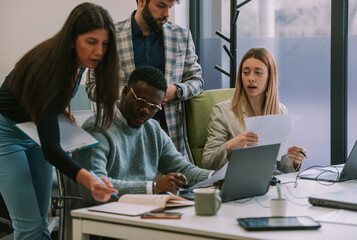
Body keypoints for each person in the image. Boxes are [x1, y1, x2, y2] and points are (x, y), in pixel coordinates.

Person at [0, 3, 119, 239]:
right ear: (73, 38)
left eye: (105, 44)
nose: (99, 52)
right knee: (29, 226)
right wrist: (90, 180)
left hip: (33, 132)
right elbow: (52, 150)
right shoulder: (47, 67)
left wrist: (60, 109)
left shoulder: (77, 62)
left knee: (41, 224)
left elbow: (49, 93)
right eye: (91, 42)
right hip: (6, 134)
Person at [69, 66, 213, 208]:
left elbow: (183, 169)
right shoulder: (96, 128)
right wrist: (153, 188)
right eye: (140, 101)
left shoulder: (153, 129)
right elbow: (92, 188)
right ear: (125, 92)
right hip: (97, 216)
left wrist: (214, 177)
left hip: (139, 211)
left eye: (153, 107)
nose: (145, 111)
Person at [86, 0, 203, 156]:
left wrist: (175, 91)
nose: (167, 14)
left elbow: (197, 82)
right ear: (141, 1)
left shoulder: (182, 35)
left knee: (176, 180)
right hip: (120, 134)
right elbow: (92, 88)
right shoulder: (110, 37)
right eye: (161, 6)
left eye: (170, 7)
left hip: (169, 134)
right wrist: (131, 95)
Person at [202, 47, 307, 172]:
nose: (250, 78)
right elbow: (207, 164)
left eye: (258, 73)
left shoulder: (280, 110)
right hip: (235, 182)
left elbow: (284, 167)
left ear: (270, 76)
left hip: (268, 182)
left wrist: (295, 159)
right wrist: (229, 146)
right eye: (246, 72)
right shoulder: (222, 111)